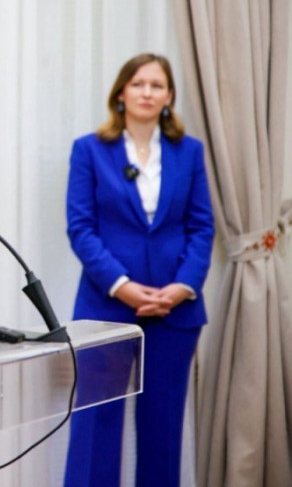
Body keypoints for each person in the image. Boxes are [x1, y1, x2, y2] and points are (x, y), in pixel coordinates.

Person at [63, 53, 214, 487]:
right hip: (106, 309)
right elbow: (81, 229)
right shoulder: (89, 149)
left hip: (175, 311)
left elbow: (202, 226)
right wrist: (122, 286)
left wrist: (183, 286)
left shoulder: (189, 152)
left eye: (157, 85)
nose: (147, 92)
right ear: (121, 93)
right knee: (96, 425)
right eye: (138, 83)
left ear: (169, 97)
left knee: (163, 429)